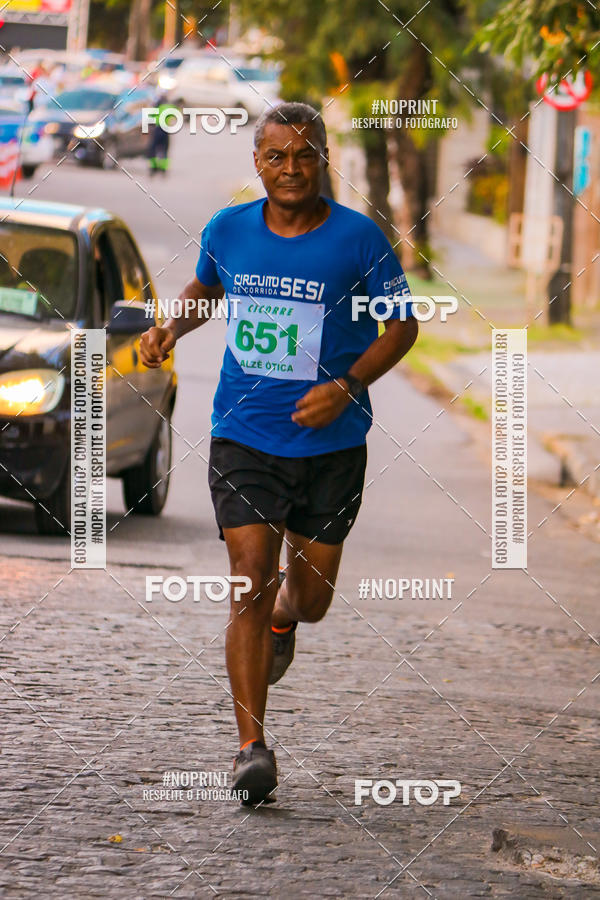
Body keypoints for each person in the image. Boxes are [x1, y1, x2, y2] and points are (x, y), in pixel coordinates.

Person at [139, 101, 418, 806]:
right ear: (256, 162)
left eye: (304, 155)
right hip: (244, 435)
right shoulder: (229, 229)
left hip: (331, 444)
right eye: (276, 156)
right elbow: (208, 286)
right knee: (248, 578)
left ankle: (288, 620)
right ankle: (249, 748)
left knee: (311, 596)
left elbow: (403, 327)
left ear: (323, 159)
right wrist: (170, 328)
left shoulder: (360, 240)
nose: (291, 169)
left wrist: (349, 384)